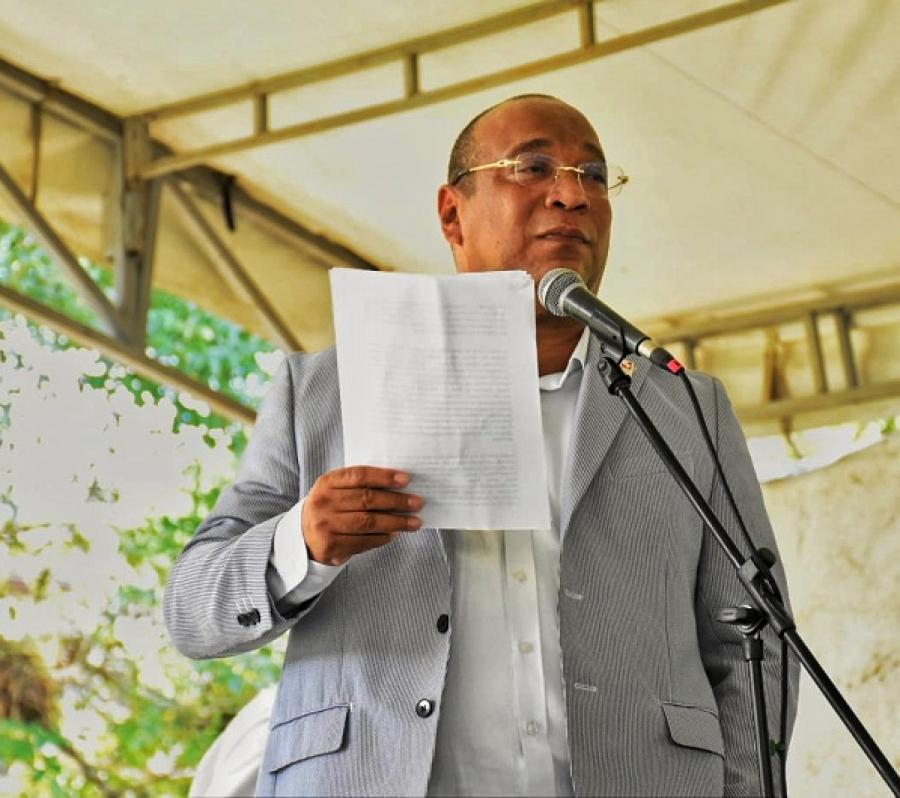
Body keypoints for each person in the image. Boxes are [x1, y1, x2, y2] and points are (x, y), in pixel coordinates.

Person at [164, 94, 799, 797]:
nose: (572, 195)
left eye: (593, 175)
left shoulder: (684, 405)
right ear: (452, 214)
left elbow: (755, 641)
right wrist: (302, 544)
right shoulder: (322, 392)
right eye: (533, 167)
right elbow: (192, 612)